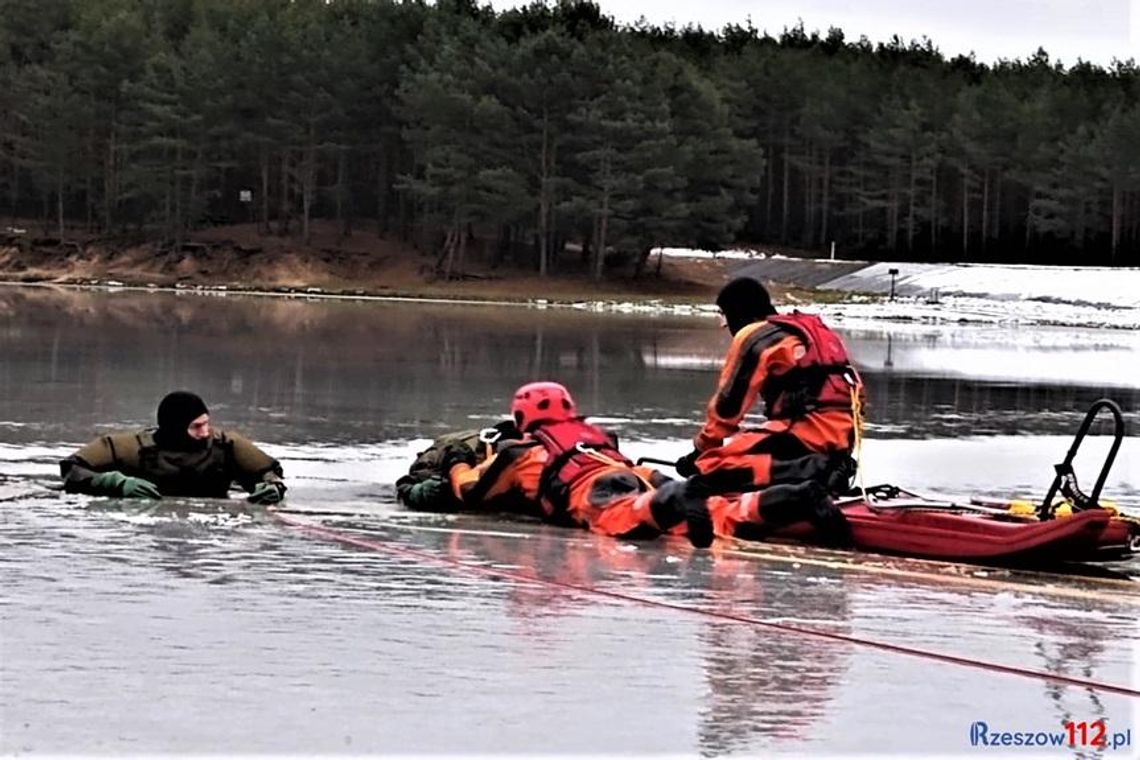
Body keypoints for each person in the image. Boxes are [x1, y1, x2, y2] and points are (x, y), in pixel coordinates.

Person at [675, 277, 865, 545]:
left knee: (711, 467)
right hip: (839, 440)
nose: (725, 325)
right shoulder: (805, 333)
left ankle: (809, 475)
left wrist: (701, 449)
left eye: (725, 316)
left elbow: (728, 407)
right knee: (747, 445)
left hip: (806, 435)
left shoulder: (756, 335)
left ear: (737, 312)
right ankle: (821, 469)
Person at [440, 381, 715, 548]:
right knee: (710, 516)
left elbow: (471, 494)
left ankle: (670, 498)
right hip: (633, 473)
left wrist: (457, 462)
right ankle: (749, 507)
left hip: (590, 488)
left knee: (621, 517)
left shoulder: (517, 453)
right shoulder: (599, 436)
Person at [60, 391, 287, 504]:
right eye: (196, 427)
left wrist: (271, 487)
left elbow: (269, 472)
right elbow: (73, 469)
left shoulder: (227, 445)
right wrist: (115, 483)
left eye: (207, 423)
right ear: (176, 428)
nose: (205, 432)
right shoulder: (131, 447)